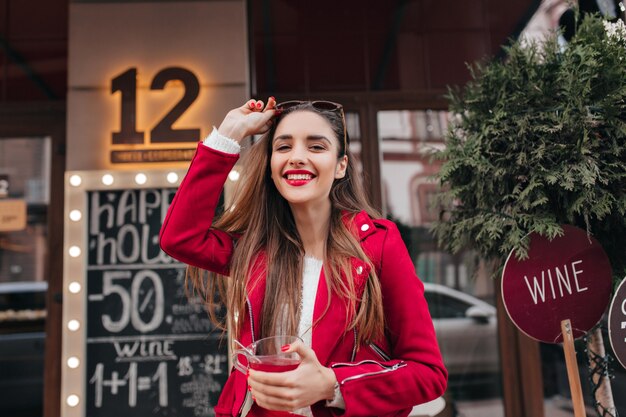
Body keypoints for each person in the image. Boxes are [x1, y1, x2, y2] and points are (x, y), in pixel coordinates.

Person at [159, 97, 447, 417]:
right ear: (270, 166)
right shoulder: (256, 247)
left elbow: (427, 374)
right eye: (283, 147)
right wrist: (229, 133)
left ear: (341, 166)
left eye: (316, 147)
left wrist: (332, 384)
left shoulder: (378, 244)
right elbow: (179, 238)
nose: (296, 157)